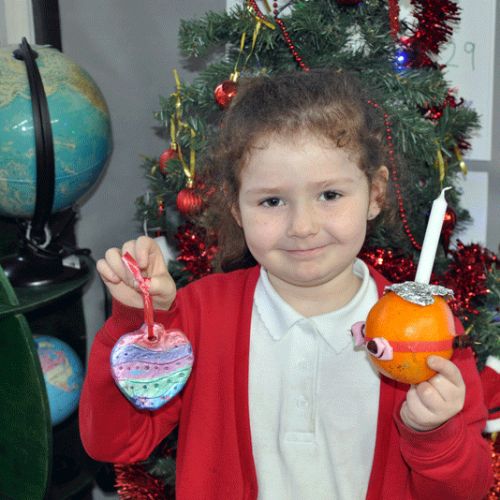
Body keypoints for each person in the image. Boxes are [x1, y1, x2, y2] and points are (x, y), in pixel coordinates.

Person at [79, 70, 493, 499]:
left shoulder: (431, 329)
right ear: (236, 208)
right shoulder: (198, 316)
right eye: (272, 201)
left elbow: (468, 490)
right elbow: (114, 441)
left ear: (375, 194)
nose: (302, 226)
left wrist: (434, 434)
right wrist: (140, 323)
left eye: (329, 195)